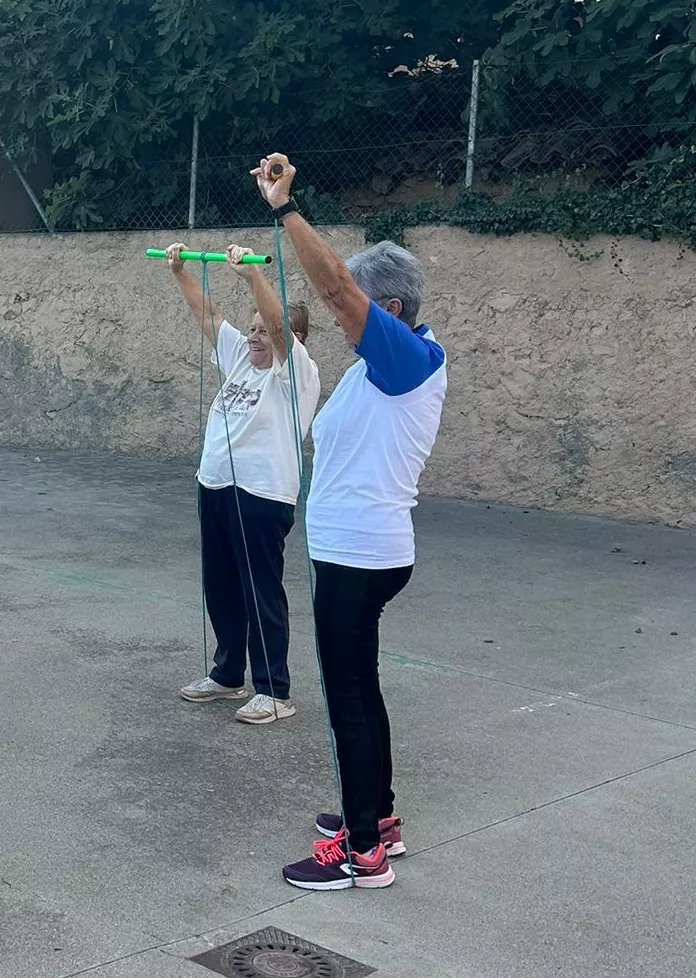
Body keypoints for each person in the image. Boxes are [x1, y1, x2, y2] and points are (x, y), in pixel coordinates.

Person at [248, 154, 447, 891]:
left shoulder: (404, 358)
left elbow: (331, 281)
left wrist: (284, 210)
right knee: (359, 689)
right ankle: (379, 819)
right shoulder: (382, 364)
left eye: (353, 307)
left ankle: (361, 854)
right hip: (356, 552)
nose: (337, 314)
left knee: (348, 699)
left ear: (387, 310)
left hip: (362, 556)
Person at [168, 242, 320, 725]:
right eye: (251, 328)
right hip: (214, 485)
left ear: (291, 337)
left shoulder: (295, 371)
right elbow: (209, 315)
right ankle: (228, 673)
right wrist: (180, 271)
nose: (254, 336)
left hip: (260, 494)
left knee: (260, 590)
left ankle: (274, 690)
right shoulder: (239, 357)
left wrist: (253, 276)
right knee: (221, 586)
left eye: (263, 330)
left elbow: (276, 327)